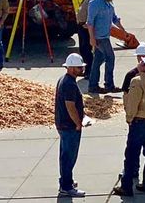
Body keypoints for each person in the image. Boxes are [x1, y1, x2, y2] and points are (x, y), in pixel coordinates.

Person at [118, 56, 145, 196]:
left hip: (139, 123)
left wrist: (129, 118)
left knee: (131, 155)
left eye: (142, 63)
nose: (139, 63)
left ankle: (126, 187)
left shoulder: (137, 81)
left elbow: (133, 103)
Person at [55, 52, 88, 198]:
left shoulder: (65, 80)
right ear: (71, 68)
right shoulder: (69, 84)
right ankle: (66, 187)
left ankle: (65, 181)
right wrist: (78, 123)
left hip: (64, 124)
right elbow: (70, 106)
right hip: (69, 126)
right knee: (69, 157)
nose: (82, 70)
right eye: (79, 67)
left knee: (65, 155)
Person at [86, 0, 124, 93]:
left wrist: (122, 30)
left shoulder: (109, 2)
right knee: (110, 58)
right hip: (99, 37)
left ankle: (93, 86)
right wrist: (92, 38)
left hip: (105, 36)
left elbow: (114, 18)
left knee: (97, 60)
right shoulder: (95, 3)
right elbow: (90, 22)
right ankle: (109, 85)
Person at [76, 0, 97, 85]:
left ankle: (90, 71)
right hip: (81, 25)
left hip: (86, 26)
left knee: (87, 49)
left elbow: (92, 12)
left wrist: (88, 24)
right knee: (83, 48)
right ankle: (87, 70)